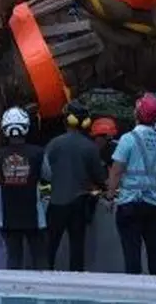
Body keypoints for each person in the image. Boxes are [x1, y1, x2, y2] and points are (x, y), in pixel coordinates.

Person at [106, 94, 156, 275]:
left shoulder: (128, 139)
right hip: (153, 204)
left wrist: (110, 195)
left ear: (138, 113)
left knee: (131, 251)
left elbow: (116, 170)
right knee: (154, 249)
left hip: (130, 203)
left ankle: (134, 286)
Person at [42, 100, 107, 271]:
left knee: (50, 247)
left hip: (56, 202)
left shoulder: (54, 144)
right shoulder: (90, 147)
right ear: (86, 122)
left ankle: (43, 277)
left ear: (67, 119)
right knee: (77, 248)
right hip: (79, 204)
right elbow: (100, 178)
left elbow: (45, 174)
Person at [0, 106, 47, 270]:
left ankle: (12, 286)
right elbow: (48, 175)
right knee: (39, 257)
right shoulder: (38, 153)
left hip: (8, 215)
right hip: (34, 216)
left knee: (13, 258)